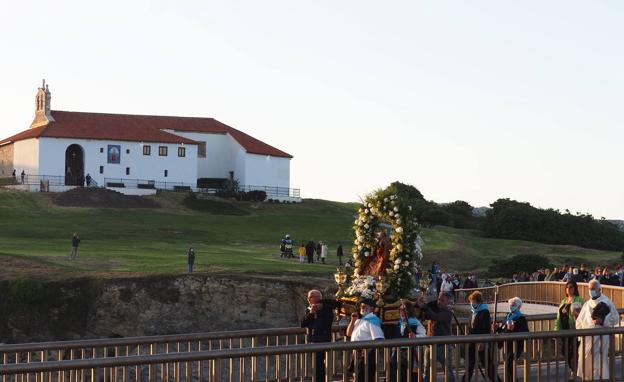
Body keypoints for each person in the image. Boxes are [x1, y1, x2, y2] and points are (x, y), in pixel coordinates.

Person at [576, 279, 619, 380]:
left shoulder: (607, 302)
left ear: (599, 289)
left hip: (601, 336)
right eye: (589, 289)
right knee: (586, 359)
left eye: (593, 289)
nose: (591, 291)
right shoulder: (587, 304)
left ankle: (600, 378)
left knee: (599, 359)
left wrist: (603, 321)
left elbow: (616, 318)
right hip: (587, 338)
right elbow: (579, 321)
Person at [417, 291, 456, 382]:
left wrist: (424, 307)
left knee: (448, 371)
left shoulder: (448, 312)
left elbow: (436, 317)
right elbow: (425, 315)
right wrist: (420, 305)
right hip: (430, 344)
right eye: (439, 299)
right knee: (426, 371)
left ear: (447, 302)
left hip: (443, 346)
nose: (439, 302)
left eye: (442, 300)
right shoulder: (434, 307)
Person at [301, 290, 338, 382]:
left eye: (312, 297)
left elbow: (323, 324)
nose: (310, 299)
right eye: (309, 297)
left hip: (322, 340)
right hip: (312, 340)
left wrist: (319, 309)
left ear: (318, 298)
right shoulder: (309, 309)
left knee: (319, 366)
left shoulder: (326, 308)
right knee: (315, 365)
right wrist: (311, 313)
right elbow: (303, 323)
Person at [346, 298, 384, 382]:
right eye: (361, 306)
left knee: (364, 378)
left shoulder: (373, 321)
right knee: (357, 377)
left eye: (365, 306)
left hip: (366, 356)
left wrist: (366, 353)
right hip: (357, 354)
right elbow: (348, 333)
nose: (362, 308)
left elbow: (378, 339)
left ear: (372, 308)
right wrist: (352, 321)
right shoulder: (359, 320)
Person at [462, 291, 497, 382]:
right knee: (470, 364)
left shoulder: (484, 312)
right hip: (472, 342)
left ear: (478, 302)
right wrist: (468, 334)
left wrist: (483, 341)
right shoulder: (473, 312)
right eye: (471, 301)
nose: (472, 303)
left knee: (487, 364)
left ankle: (496, 380)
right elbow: (471, 326)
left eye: (473, 301)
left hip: (481, 342)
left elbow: (486, 328)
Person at [388, 301, 426, 382]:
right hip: (397, 352)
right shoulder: (398, 322)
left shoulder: (415, 322)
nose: (401, 311)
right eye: (400, 310)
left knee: (409, 377)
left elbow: (424, 335)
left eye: (404, 310)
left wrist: (415, 336)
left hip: (410, 353)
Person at [554, 281, 585, 378]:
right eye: (567, 287)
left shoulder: (580, 300)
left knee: (573, 352)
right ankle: (574, 369)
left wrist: (575, 314)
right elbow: (558, 317)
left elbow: (584, 316)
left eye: (571, 287)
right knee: (565, 352)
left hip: (575, 330)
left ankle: (574, 372)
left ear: (575, 289)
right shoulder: (563, 301)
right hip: (564, 331)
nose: (569, 289)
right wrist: (556, 330)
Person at [497, 297, 529, 382]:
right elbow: (503, 329)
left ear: (519, 307)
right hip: (507, 345)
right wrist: (497, 328)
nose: (511, 307)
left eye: (513, 305)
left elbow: (525, 332)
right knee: (507, 365)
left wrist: (513, 329)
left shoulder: (521, 318)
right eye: (510, 305)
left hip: (516, 345)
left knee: (508, 363)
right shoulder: (508, 316)